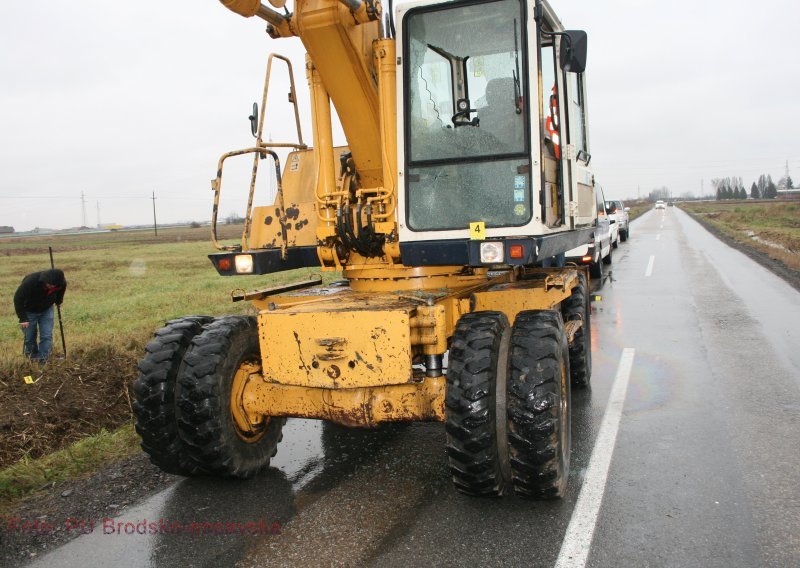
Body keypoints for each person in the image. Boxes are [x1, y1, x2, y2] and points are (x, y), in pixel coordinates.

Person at [13, 268, 67, 361]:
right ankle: (31, 357)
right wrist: (23, 318)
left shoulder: (61, 283)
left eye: (54, 285)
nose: (51, 287)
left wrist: (59, 301)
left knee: (46, 335)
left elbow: (61, 292)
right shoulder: (31, 282)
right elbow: (18, 299)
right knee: (29, 337)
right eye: (49, 284)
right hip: (29, 310)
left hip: (47, 309)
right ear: (45, 281)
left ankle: (43, 359)